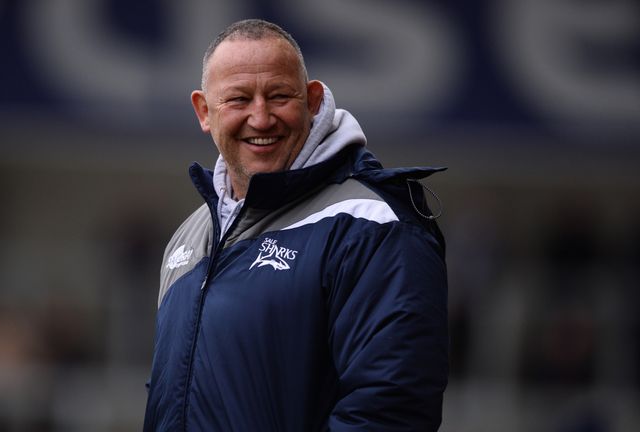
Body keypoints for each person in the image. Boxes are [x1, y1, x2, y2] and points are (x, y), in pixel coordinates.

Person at [143, 19, 448, 431]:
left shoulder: (373, 225)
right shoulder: (191, 236)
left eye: (279, 96)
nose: (261, 117)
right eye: (238, 99)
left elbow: (391, 409)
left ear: (313, 100)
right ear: (204, 111)